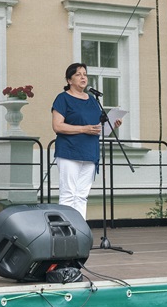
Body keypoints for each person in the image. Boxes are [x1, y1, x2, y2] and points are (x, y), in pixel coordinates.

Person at [51, 62, 121, 218]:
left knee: (82, 195)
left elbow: (97, 129)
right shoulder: (63, 98)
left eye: (85, 74)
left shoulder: (93, 100)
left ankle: (80, 228)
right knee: (68, 194)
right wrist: (83, 129)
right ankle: (67, 229)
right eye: (78, 74)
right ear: (69, 80)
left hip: (90, 152)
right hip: (69, 152)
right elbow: (57, 126)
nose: (83, 77)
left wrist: (112, 125)